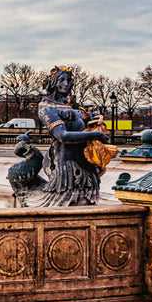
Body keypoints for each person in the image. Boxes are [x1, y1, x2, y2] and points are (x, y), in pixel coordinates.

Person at [37, 67, 110, 207]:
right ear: (52, 83)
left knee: (87, 204)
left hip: (85, 163)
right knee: (70, 206)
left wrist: (93, 121)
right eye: (61, 80)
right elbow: (62, 136)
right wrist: (95, 134)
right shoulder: (46, 107)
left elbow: (81, 125)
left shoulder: (67, 106)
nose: (66, 84)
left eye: (68, 80)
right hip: (68, 166)